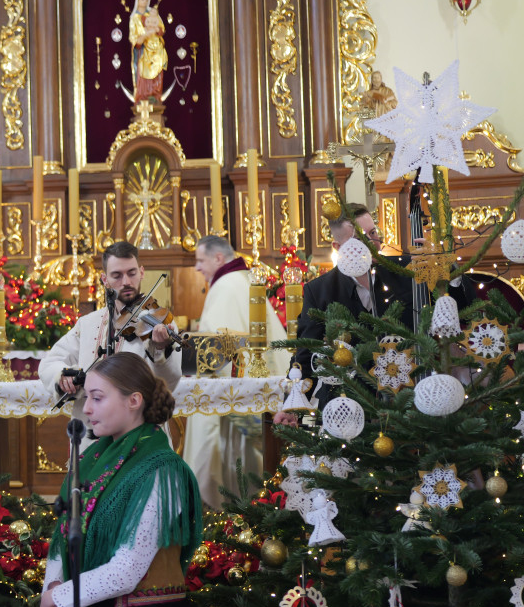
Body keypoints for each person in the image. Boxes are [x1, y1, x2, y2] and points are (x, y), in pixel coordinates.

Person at [39, 353, 202, 607]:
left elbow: (128, 570)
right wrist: (54, 587)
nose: (86, 409)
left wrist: (57, 598)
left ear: (134, 401)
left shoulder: (162, 469)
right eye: (87, 398)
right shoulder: (91, 457)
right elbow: (63, 535)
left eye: (97, 398)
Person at [273, 204, 472, 427]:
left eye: (373, 233)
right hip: (347, 405)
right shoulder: (319, 290)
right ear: (338, 247)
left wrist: (448, 270)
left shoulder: (409, 271)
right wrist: (292, 406)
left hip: (409, 401)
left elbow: (461, 311)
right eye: (360, 238)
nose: (372, 243)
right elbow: (305, 354)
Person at [38, 241, 180, 445]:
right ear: (105, 279)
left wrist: (161, 350)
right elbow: (50, 362)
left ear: (142, 272)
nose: (126, 282)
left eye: (132, 273)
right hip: (91, 432)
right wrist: (63, 377)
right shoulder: (88, 323)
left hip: (139, 434)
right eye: (117, 275)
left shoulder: (159, 322)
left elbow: (169, 383)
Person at [184, 236, 287, 509]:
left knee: (233, 478)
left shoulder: (227, 286)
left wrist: (189, 368)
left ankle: (230, 520)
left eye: (200, 260)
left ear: (218, 259)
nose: (196, 268)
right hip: (260, 396)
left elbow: (216, 352)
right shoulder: (242, 281)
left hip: (236, 406)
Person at [127, 0, 167, 103]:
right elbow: (134, 38)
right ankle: (143, 97)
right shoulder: (134, 18)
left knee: (156, 71)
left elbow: (161, 29)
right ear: (137, 0)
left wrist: (156, 30)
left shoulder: (153, 14)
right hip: (141, 52)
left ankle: (155, 95)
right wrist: (144, 36)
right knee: (142, 75)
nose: (144, 2)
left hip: (155, 50)